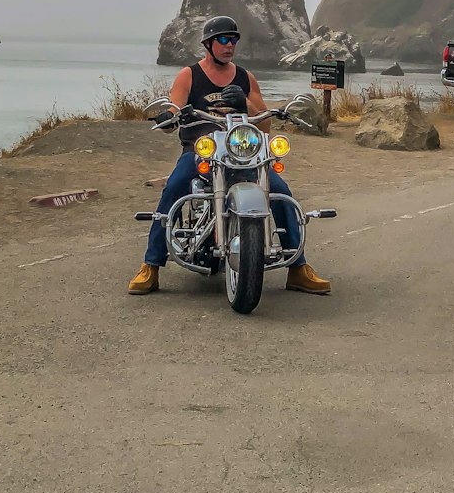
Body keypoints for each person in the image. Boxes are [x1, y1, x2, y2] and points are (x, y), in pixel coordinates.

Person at [128, 15, 330, 296]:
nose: (229, 45)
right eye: (223, 39)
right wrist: (170, 115)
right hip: (203, 153)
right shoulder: (190, 75)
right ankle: (151, 265)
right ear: (208, 44)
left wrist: (244, 103)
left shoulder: (245, 77)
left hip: (243, 153)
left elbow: (265, 123)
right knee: (174, 188)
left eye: (233, 39)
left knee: (280, 191)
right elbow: (175, 106)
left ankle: (298, 267)